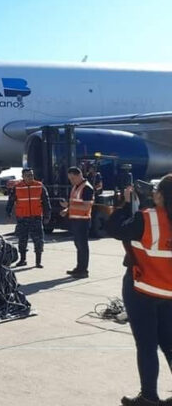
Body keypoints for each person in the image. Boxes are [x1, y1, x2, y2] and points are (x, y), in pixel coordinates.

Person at [106, 174, 172, 406]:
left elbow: (114, 228)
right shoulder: (150, 217)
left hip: (142, 290)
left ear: (161, 196)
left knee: (146, 345)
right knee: (169, 343)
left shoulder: (147, 219)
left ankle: (148, 396)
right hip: (169, 293)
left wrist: (125, 204)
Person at [6, 168, 52, 268]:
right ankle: (23, 260)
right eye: (28, 175)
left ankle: (38, 261)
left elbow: (46, 201)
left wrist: (47, 215)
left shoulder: (39, 186)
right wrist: (8, 211)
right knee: (22, 239)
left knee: (38, 240)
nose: (30, 177)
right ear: (22, 176)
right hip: (22, 218)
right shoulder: (17, 187)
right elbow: (11, 200)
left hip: (36, 217)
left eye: (31, 175)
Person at [60, 166, 95, 278]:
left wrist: (69, 206)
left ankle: (83, 270)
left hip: (83, 221)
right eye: (70, 178)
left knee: (82, 246)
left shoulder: (87, 188)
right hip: (75, 220)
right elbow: (76, 202)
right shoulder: (76, 186)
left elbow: (86, 207)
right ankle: (79, 267)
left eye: (73, 178)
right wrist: (67, 210)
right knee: (78, 245)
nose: (71, 180)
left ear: (79, 175)